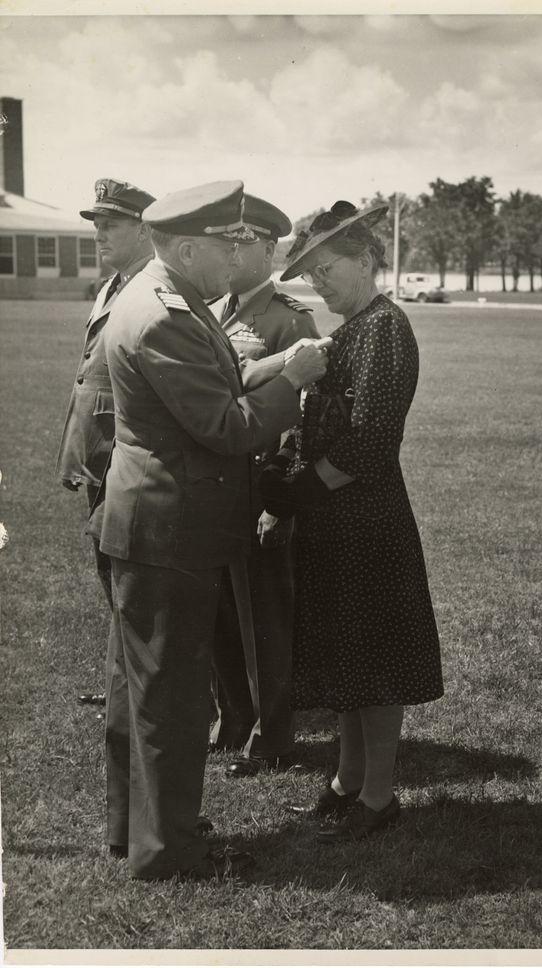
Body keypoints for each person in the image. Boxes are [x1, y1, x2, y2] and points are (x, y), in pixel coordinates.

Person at [92, 180, 330, 879]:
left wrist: (277, 362)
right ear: (189, 247)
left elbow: (218, 375)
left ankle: (132, 832)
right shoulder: (166, 315)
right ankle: (168, 852)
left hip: (149, 522)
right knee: (170, 693)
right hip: (172, 529)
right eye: (224, 247)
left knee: (137, 686)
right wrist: (299, 379)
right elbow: (228, 425)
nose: (237, 260)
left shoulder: (168, 299)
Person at [259, 200, 443, 841]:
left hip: (365, 517)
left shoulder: (385, 328)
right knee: (348, 653)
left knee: (375, 657)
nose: (317, 284)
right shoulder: (352, 328)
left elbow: (370, 442)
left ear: (365, 260)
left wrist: (295, 494)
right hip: (334, 518)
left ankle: (380, 797)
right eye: (309, 276)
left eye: (325, 270)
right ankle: (346, 779)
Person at [207, 193, 320, 772]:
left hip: (259, 486)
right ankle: (233, 720)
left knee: (265, 618)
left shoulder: (290, 319)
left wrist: (280, 501)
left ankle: (274, 735)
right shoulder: (210, 308)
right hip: (215, 485)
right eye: (225, 238)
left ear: (271, 249)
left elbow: (300, 418)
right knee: (222, 611)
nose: (230, 249)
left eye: (243, 240)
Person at [55, 178, 155, 707]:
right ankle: (127, 682)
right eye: (96, 225)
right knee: (110, 573)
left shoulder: (149, 287)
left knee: (131, 580)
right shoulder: (114, 284)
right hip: (99, 453)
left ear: (144, 229)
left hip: (127, 454)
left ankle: (146, 689)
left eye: (110, 225)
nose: (99, 235)